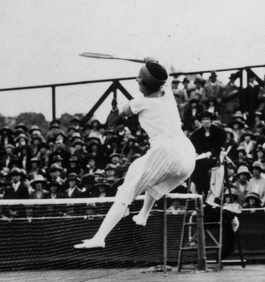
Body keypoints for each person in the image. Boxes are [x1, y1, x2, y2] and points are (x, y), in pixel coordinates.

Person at [75, 60, 196, 249]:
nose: (136, 81)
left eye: (139, 80)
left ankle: (100, 237)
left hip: (165, 152)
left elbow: (118, 117)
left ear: (146, 85)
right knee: (152, 182)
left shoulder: (139, 102)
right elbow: (164, 72)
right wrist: (152, 61)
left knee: (125, 192)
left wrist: (119, 108)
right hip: (187, 154)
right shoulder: (168, 93)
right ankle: (142, 215)